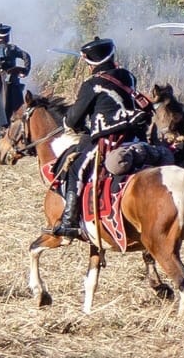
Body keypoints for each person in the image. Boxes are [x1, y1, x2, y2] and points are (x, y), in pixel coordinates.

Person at [51, 37, 148, 243]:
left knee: (75, 167)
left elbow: (73, 119)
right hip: (135, 136)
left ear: (89, 62)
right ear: (111, 55)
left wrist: (73, 125)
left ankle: (69, 221)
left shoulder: (92, 84)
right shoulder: (127, 76)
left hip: (109, 141)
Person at [0, 24, 33, 123]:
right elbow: (26, 56)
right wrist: (25, 70)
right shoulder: (12, 48)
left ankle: (4, 123)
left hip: (2, 78)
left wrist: (24, 71)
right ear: (7, 37)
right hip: (9, 78)